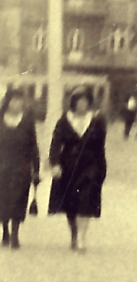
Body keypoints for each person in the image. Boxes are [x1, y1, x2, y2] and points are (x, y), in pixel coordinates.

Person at [47, 86, 108, 252]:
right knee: (71, 203)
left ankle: (82, 237)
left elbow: (100, 147)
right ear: (73, 103)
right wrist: (55, 164)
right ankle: (74, 232)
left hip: (90, 166)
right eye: (79, 101)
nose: (82, 105)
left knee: (86, 201)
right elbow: (55, 144)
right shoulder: (65, 121)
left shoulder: (96, 120)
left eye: (85, 101)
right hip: (69, 166)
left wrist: (102, 167)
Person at [0, 87, 41, 249]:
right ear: (7, 102)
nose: (17, 104)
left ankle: (15, 234)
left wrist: (36, 169)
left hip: (21, 167)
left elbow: (33, 146)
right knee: (2, 200)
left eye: (19, 101)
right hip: (2, 166)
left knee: (19, 200)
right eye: (13, 101)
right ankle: (5, 231)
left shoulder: (27, 121)